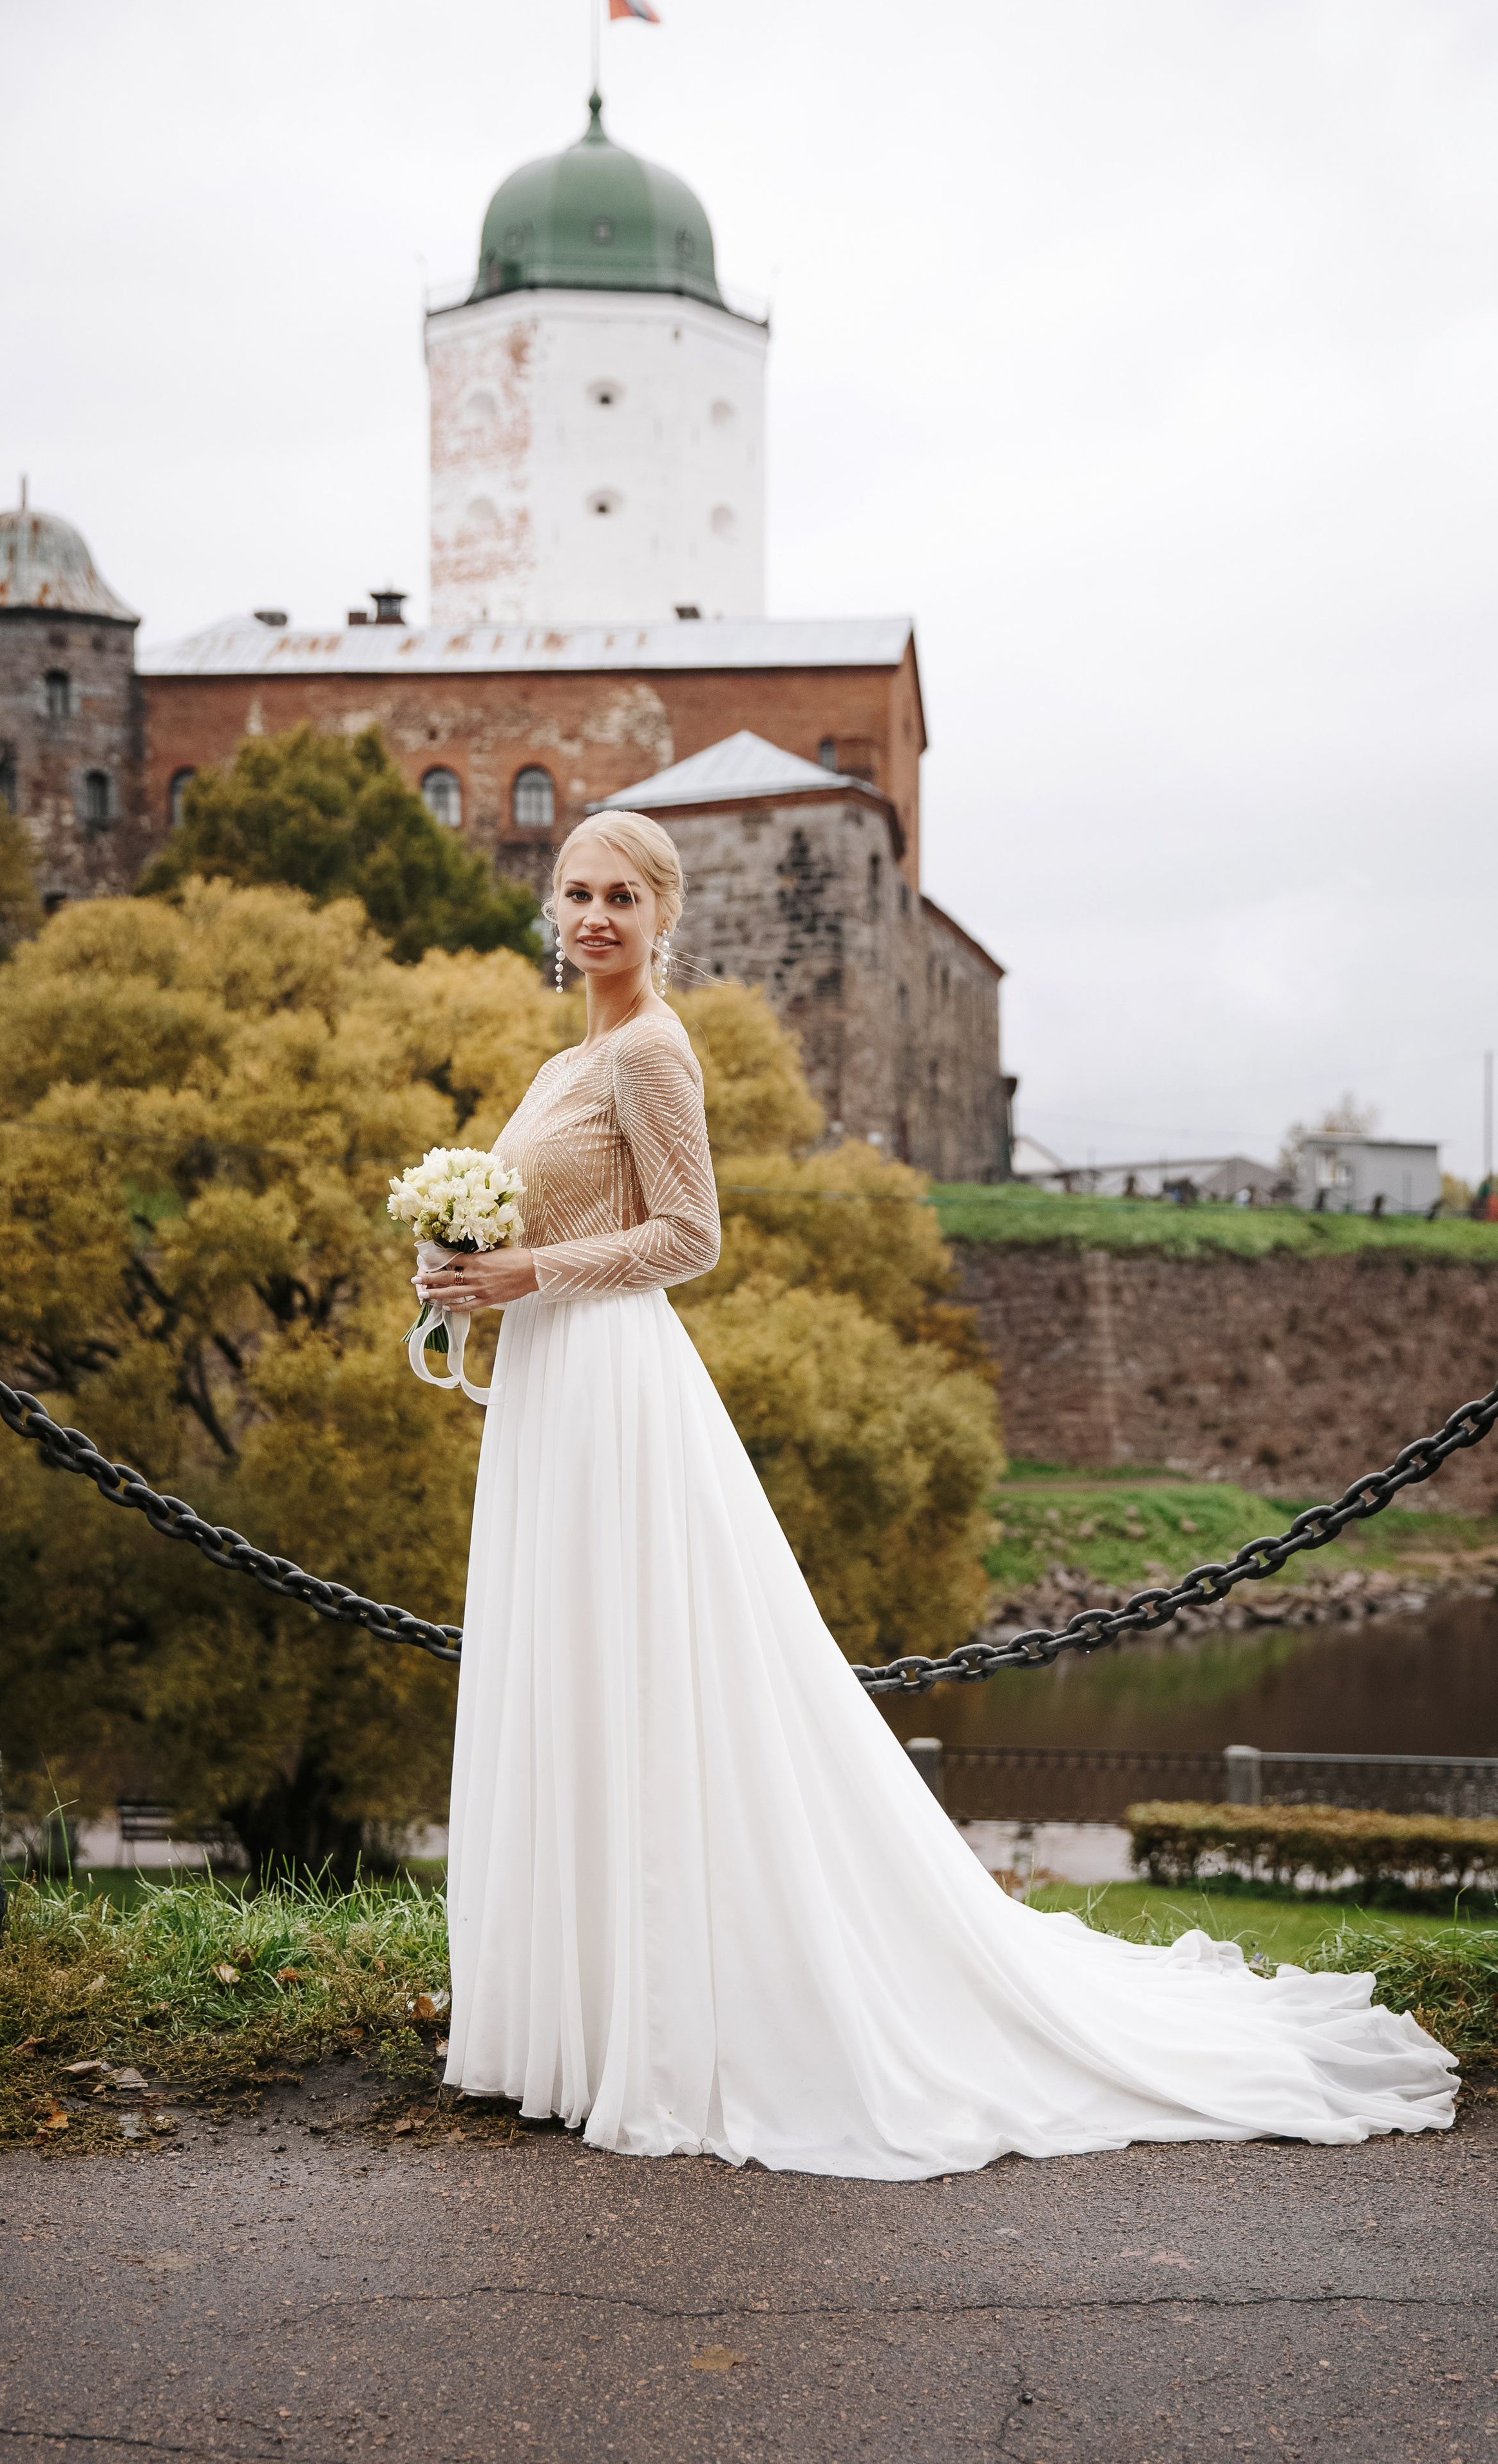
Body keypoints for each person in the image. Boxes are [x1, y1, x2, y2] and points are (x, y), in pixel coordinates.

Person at [415, 811, 1455, 2180]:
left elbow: (691, 1236)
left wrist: (529, 1277)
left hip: (613, 1383)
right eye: (576, 893)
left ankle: (658, 2020)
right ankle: (566, 2022)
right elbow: (549, 1214)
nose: (595, 916)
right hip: (553, 1381)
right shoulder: (570, 1056)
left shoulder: (657, 1050)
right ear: (553, 912)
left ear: (666, 918)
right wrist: (459, 1255)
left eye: (622, 896)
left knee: (646, 1673)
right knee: (568, 1673)